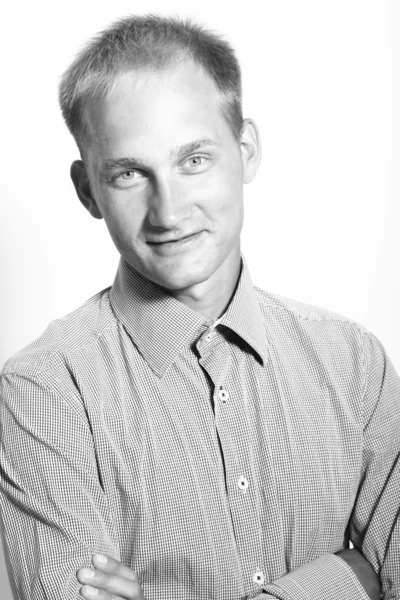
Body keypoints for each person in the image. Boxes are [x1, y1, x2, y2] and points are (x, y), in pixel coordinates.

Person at [0, 14, 398, 600]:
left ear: (247, 151)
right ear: (88, 191)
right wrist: (348, 577)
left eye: (194, 160)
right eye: (131, 173)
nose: (169, 211)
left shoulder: (355, 364)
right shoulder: (44, 391)